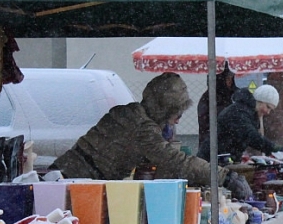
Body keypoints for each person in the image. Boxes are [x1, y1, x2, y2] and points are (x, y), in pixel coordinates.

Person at [49, 72, 251, 199]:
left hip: (65, 175)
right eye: (177, 114)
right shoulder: (143, 129)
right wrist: (225, 177)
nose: (178, 121)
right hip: (74, 183)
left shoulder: (129, 112)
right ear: (163, 110)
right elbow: (176, 161)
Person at [197, 84, 283, 164]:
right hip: (211, 161)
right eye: (268, 107)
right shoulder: (239, 113)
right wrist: (273, 147)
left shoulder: (248, 112)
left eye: (270, 110)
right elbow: (250, 136)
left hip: (222, 158)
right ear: (259, 101)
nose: (268, 112)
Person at [197, 61, 237, 156]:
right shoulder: (208, 99)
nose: (230, 82)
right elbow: (207, 124)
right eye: (227, 79)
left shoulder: (234, 95)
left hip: (232, 146)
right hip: (212, 147)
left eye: (231, 78)